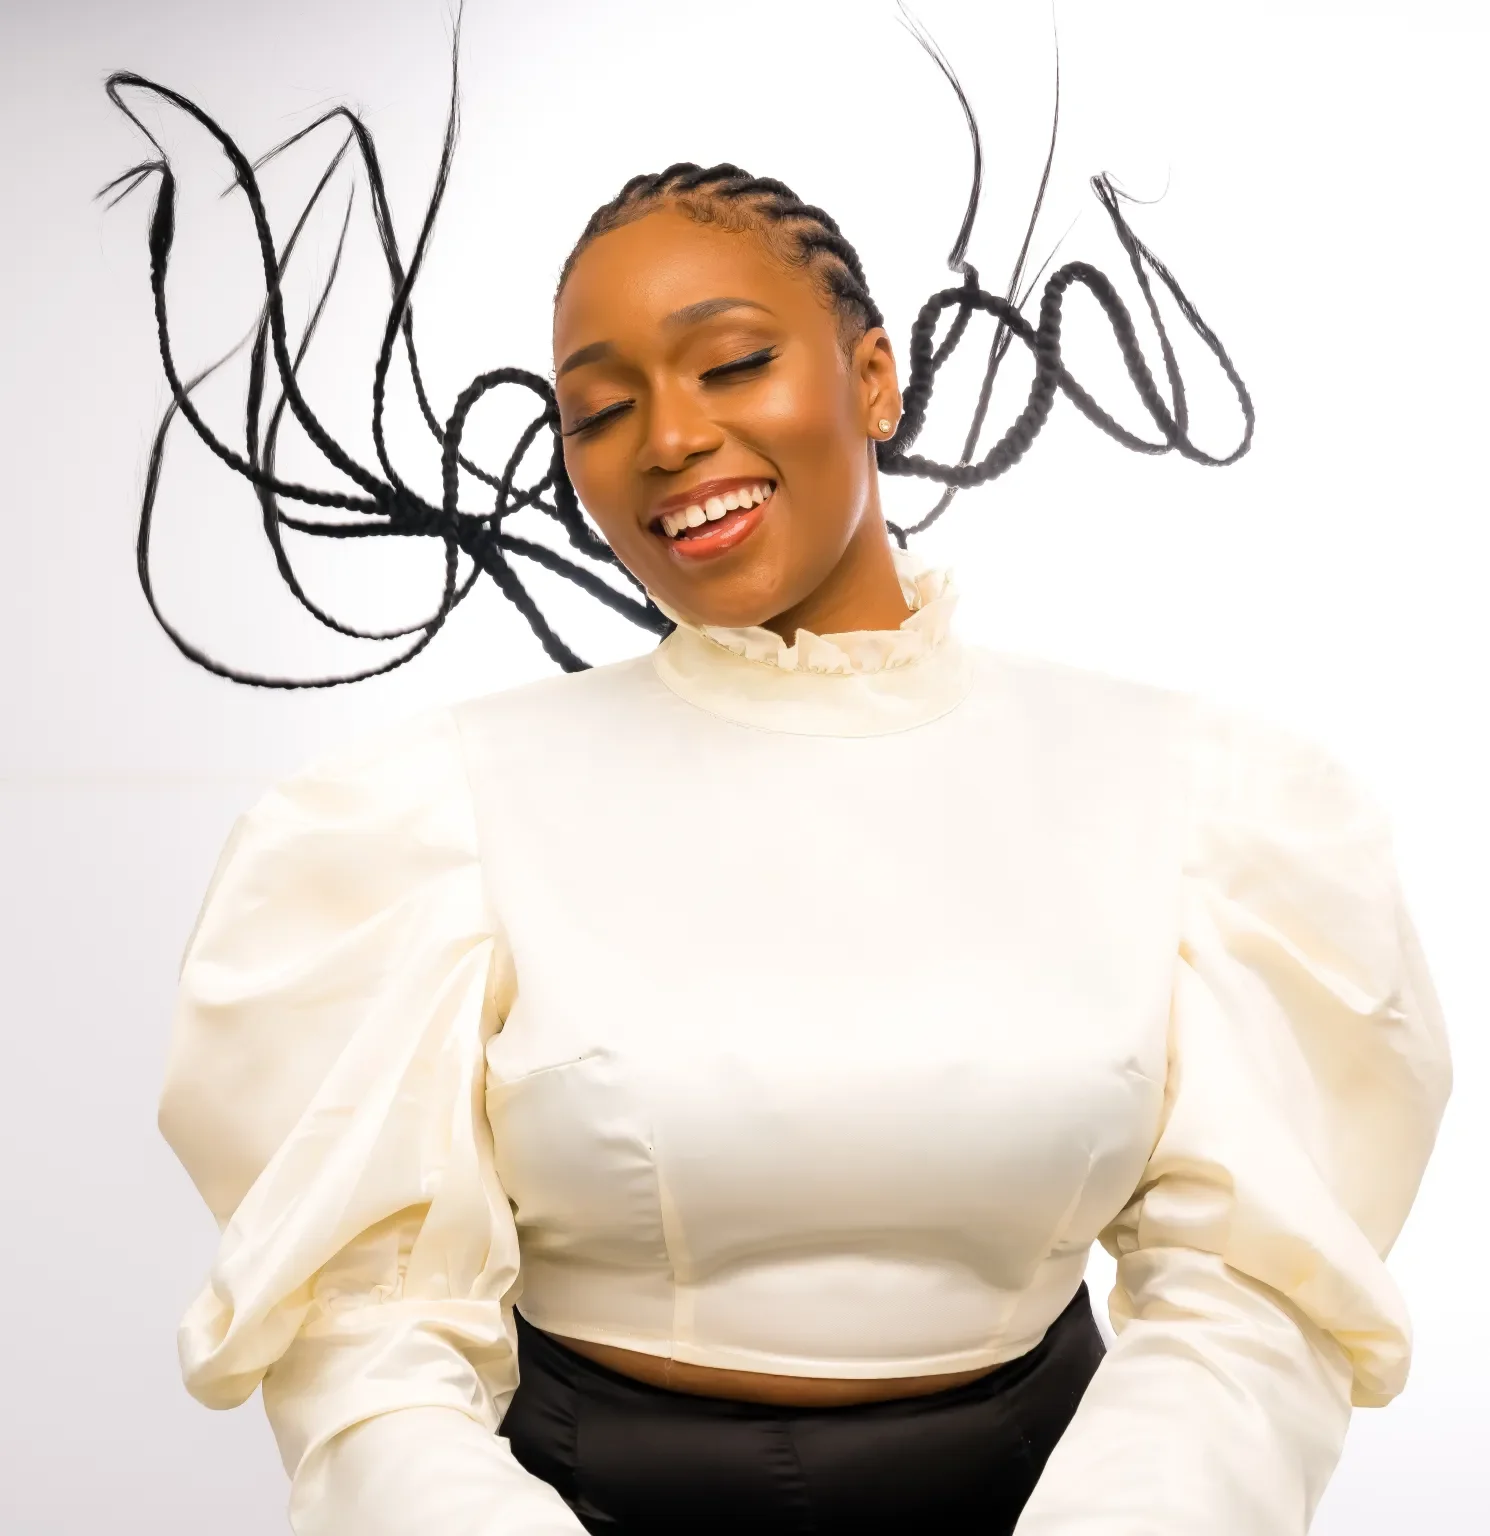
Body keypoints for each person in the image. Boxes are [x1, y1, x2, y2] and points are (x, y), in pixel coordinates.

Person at [107, 15, 1452, 1536]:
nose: (669, 439)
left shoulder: (1188, 791)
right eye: (599, 411)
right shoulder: (430, 818)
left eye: (732, 362)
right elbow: (363, 1340)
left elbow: (1247, 1298)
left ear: (870, 377)